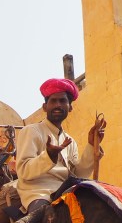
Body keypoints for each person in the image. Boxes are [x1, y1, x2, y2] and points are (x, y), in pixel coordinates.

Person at [15, 77, 106, 214]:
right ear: (45, 107)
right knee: (45, 219)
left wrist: (91, 145)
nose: (58, 105)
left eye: (63, 101)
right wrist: (49, 156)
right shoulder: (31, 131)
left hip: (66, 191)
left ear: (70, 107)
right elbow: (23, 171)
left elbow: (78, 175)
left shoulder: (70, 141)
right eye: (53, 101)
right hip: (39, 193)